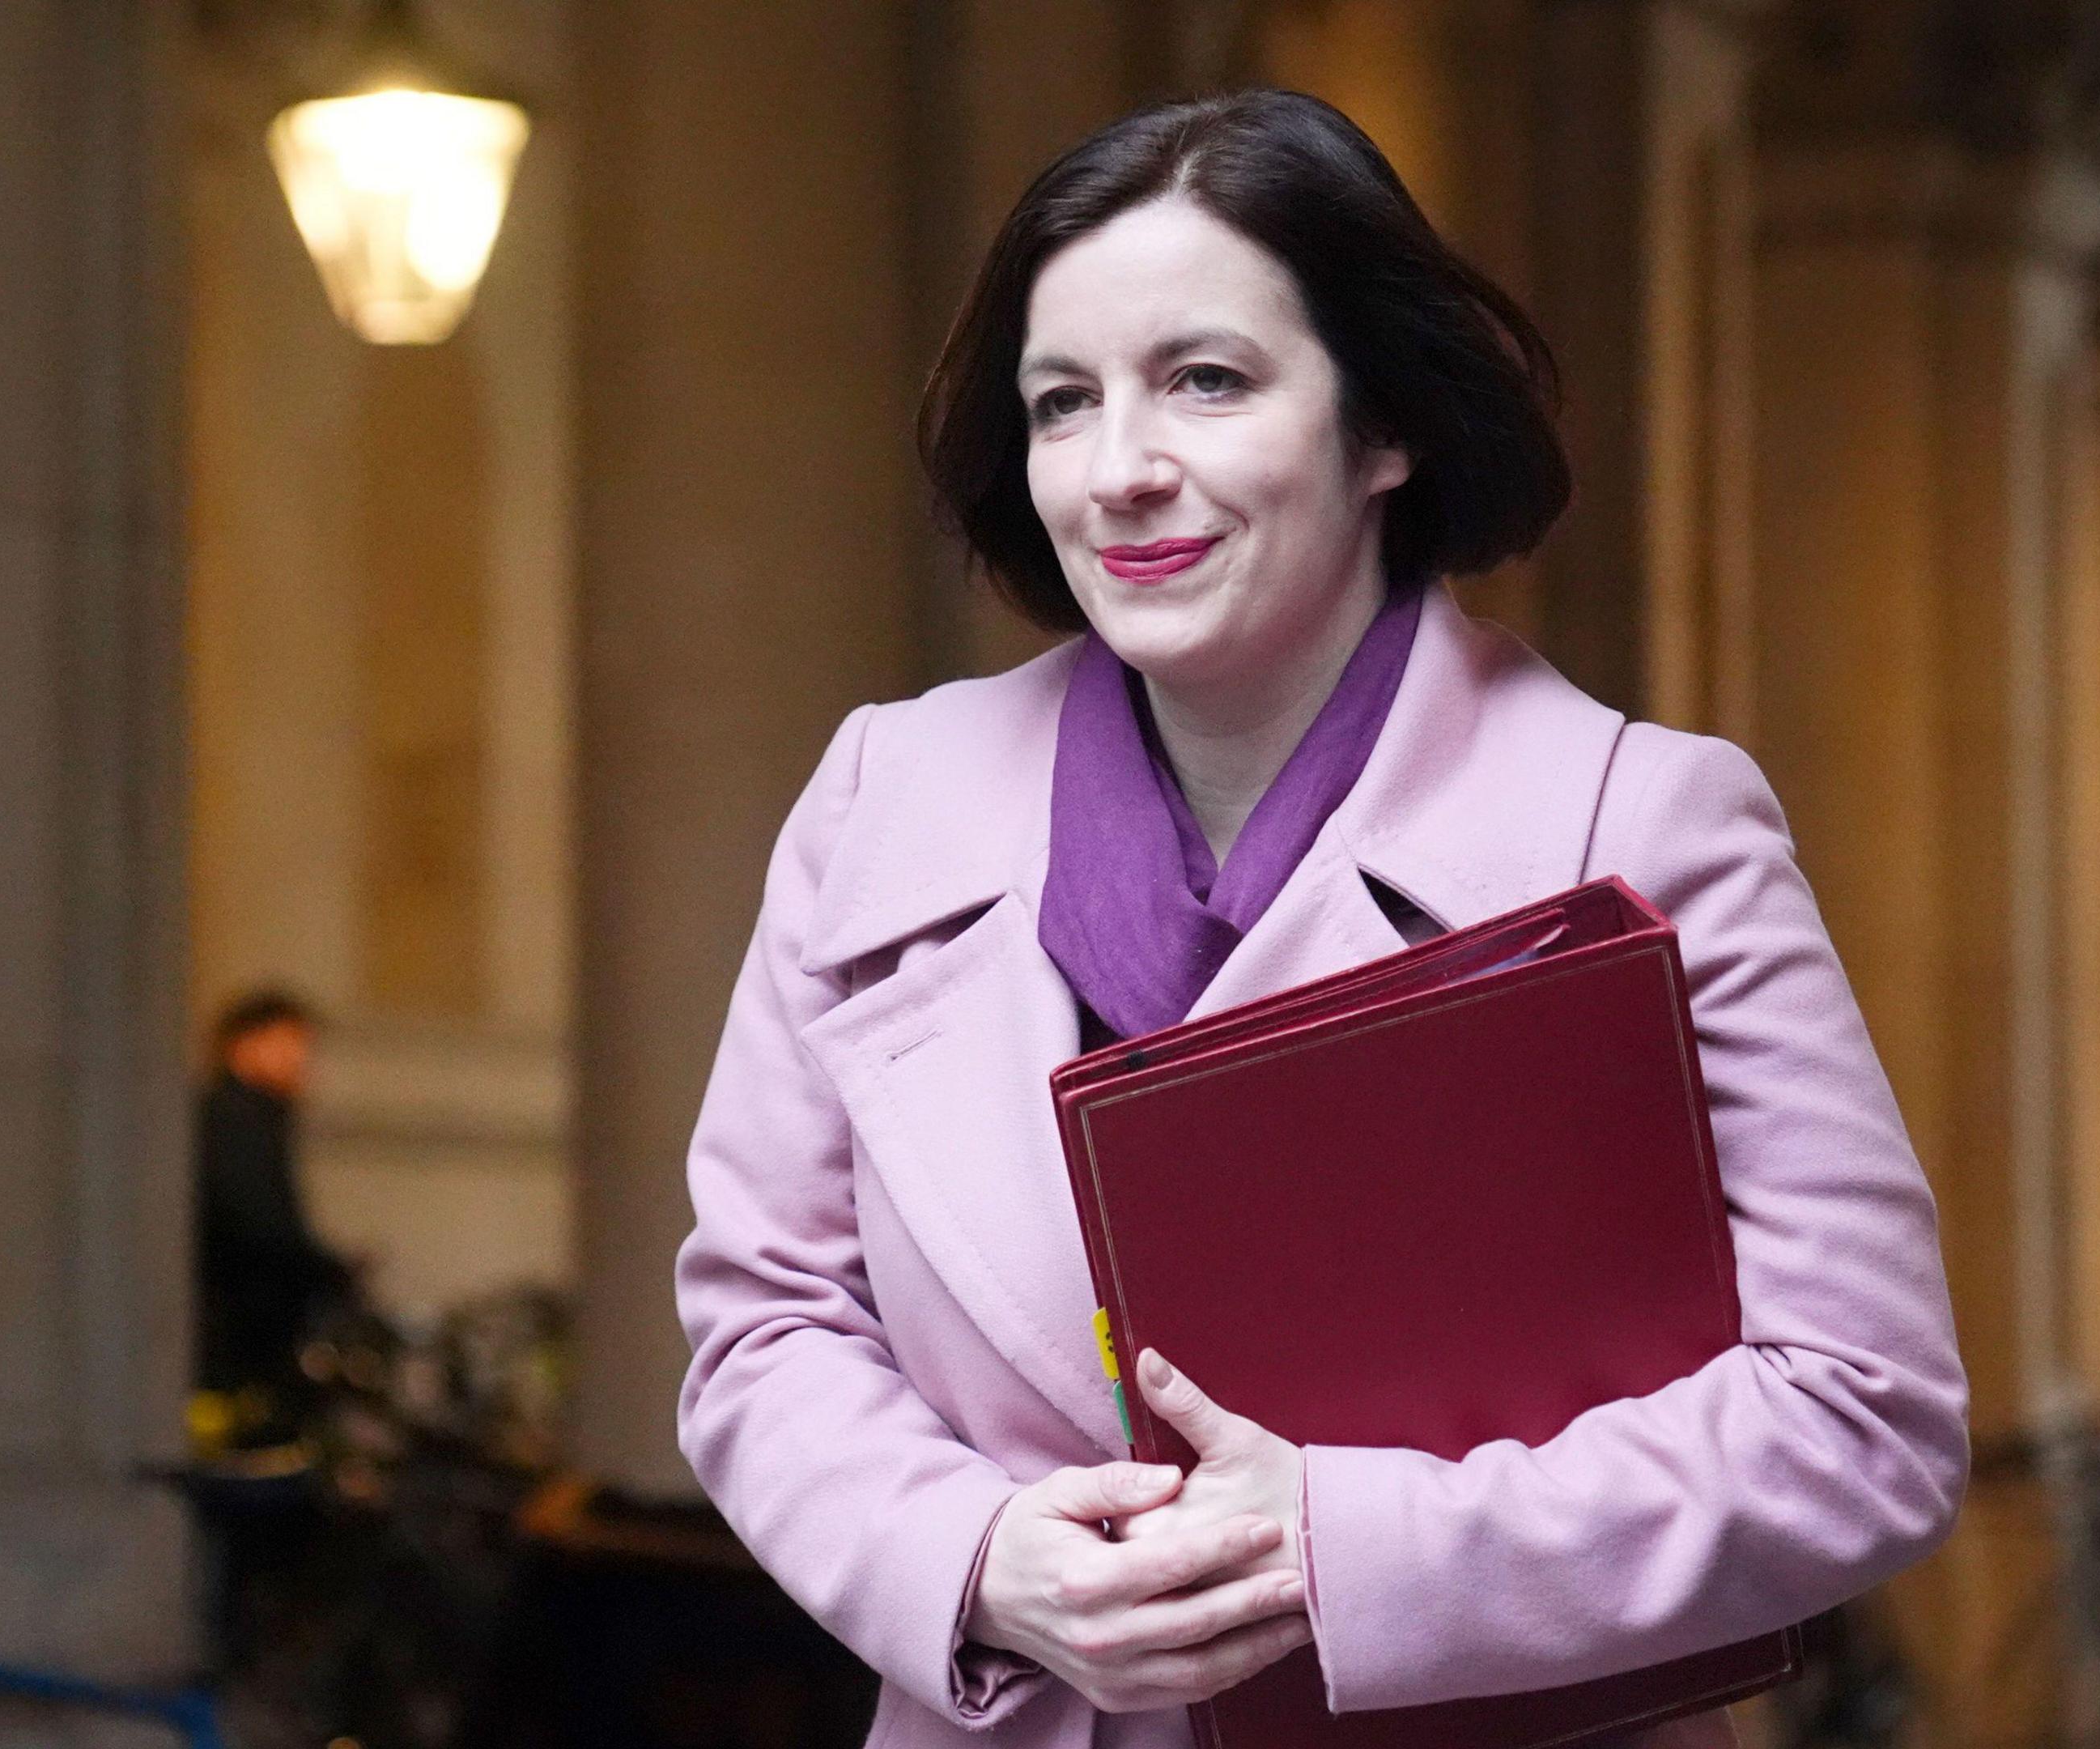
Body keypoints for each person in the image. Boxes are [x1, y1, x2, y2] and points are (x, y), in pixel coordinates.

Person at [671, 90, 1969, 1749]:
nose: (1122, 471)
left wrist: (1352, 1555)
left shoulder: (1639, 823)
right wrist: (977, 1561)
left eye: (1206, 381)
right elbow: (762, 1324)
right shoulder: (878, 803)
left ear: (1384, 428)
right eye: (1063, 402)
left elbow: (1865, 1420)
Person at [193, 988, 358, 1405]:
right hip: (241, 1330)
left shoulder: (247, 1117)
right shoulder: (238, 1119)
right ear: (246, 1043)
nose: (301, 1059)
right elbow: (256, 1221)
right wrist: (325, 1270)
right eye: (290, 1043)